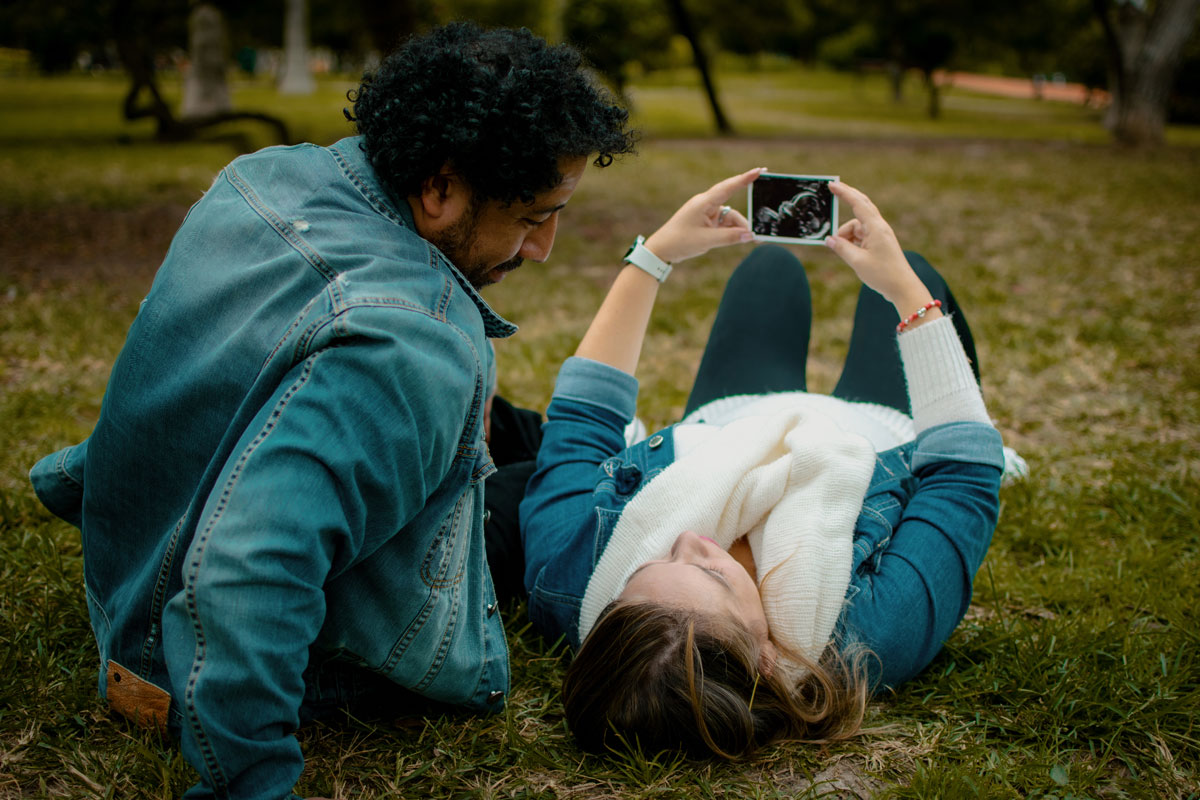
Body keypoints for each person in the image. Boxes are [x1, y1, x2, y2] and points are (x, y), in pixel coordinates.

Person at [28, 23, 634, 800]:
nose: (544, 246)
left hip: (126, 584)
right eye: (530, 217)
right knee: (560, 491)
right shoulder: (411, 342)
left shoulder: (259, 178)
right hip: (178, 661)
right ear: (440, 189)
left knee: (507, 438)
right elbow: (249, 574)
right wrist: (252, 783)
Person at [518, 171, 1009, 759]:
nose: (689, 541)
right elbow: (963, 474)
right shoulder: (873, 636)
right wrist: (906, 292)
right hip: (876, 436)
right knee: (919, 269)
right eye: (713, 575)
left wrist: (655, 256)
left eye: (649, 565)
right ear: (766, 659)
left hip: (731, 421)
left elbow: (582, 417)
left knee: (768, 267)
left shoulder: (568, 582)